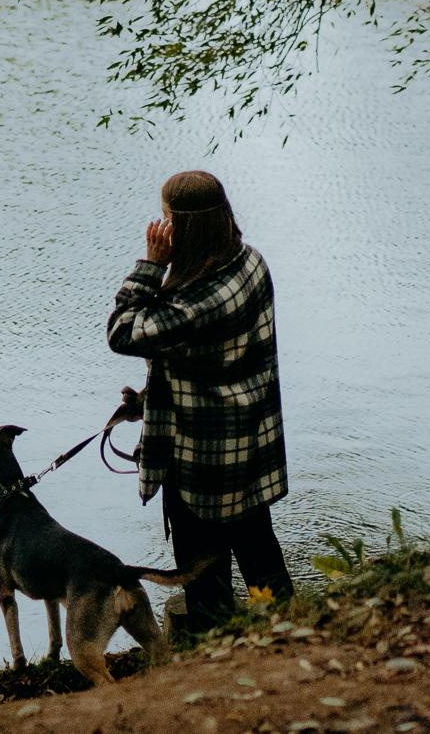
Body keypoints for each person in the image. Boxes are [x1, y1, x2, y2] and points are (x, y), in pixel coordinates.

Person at [106, 170, 293, 633]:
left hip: (202, 456)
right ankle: (292, 630)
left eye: (166, 219)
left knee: (203, 569)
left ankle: (219, 652)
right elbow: (216, 356)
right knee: (258, 549)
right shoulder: (250, 263)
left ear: (182, 228)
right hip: (250, 441)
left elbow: (122, 331)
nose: (161, 229)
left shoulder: (193, 300)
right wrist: (151, 398)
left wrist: (151, 265)